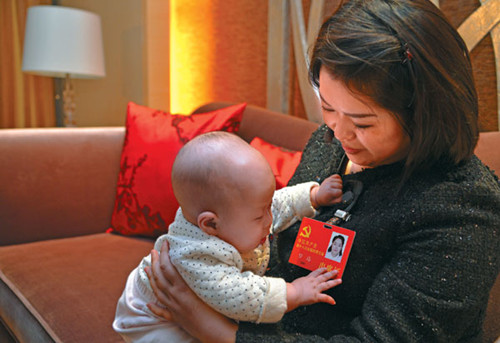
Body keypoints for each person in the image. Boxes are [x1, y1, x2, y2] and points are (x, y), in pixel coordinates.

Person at [145, 0, 500, 342]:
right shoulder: (328, 143)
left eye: (362, 122)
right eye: (328, 107)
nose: (338, 132)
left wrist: (212, 329)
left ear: (424, 115)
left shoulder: (460, 210)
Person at [113, 131, 345, 342]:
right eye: (258, 218)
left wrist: (312, 196)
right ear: (210, 224)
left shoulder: (235, 216)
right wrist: (294, 292)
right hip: (150, 315)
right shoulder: (198, 253)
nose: (269, 220)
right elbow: (239, 296)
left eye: (266, 209)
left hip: (194, 299)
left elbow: (276, 203)